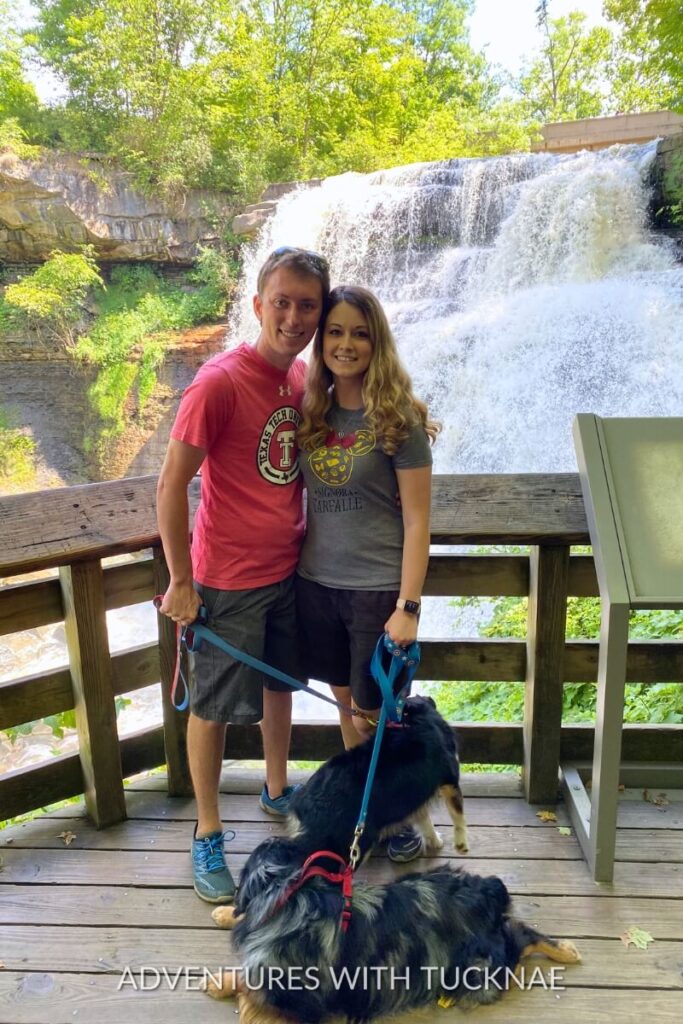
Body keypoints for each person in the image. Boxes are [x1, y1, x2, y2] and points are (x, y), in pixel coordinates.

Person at [156, 247, 330, 903]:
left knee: (280, 685)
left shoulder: (302, 379)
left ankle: (276, 787)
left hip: (288, 568)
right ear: (257, 305)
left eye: (306, 305)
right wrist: (181, 579)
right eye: (280, 302)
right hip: (224, 580)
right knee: (211, 708)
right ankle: (206, 831)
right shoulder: (219, 382)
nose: (292, 316)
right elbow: (172, 484)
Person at [295, 284, 439, 863]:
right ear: (321, 340)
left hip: (375, 590)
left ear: (375, 341)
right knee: (346, 706)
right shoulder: (312, 410)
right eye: (335, 331)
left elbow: (419, 521)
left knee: (375, 714)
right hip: (316, 584)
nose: (345, 344)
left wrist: (408, 607)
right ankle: (368, 813)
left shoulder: (396, 417)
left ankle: (396, 814)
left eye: (359, 332)